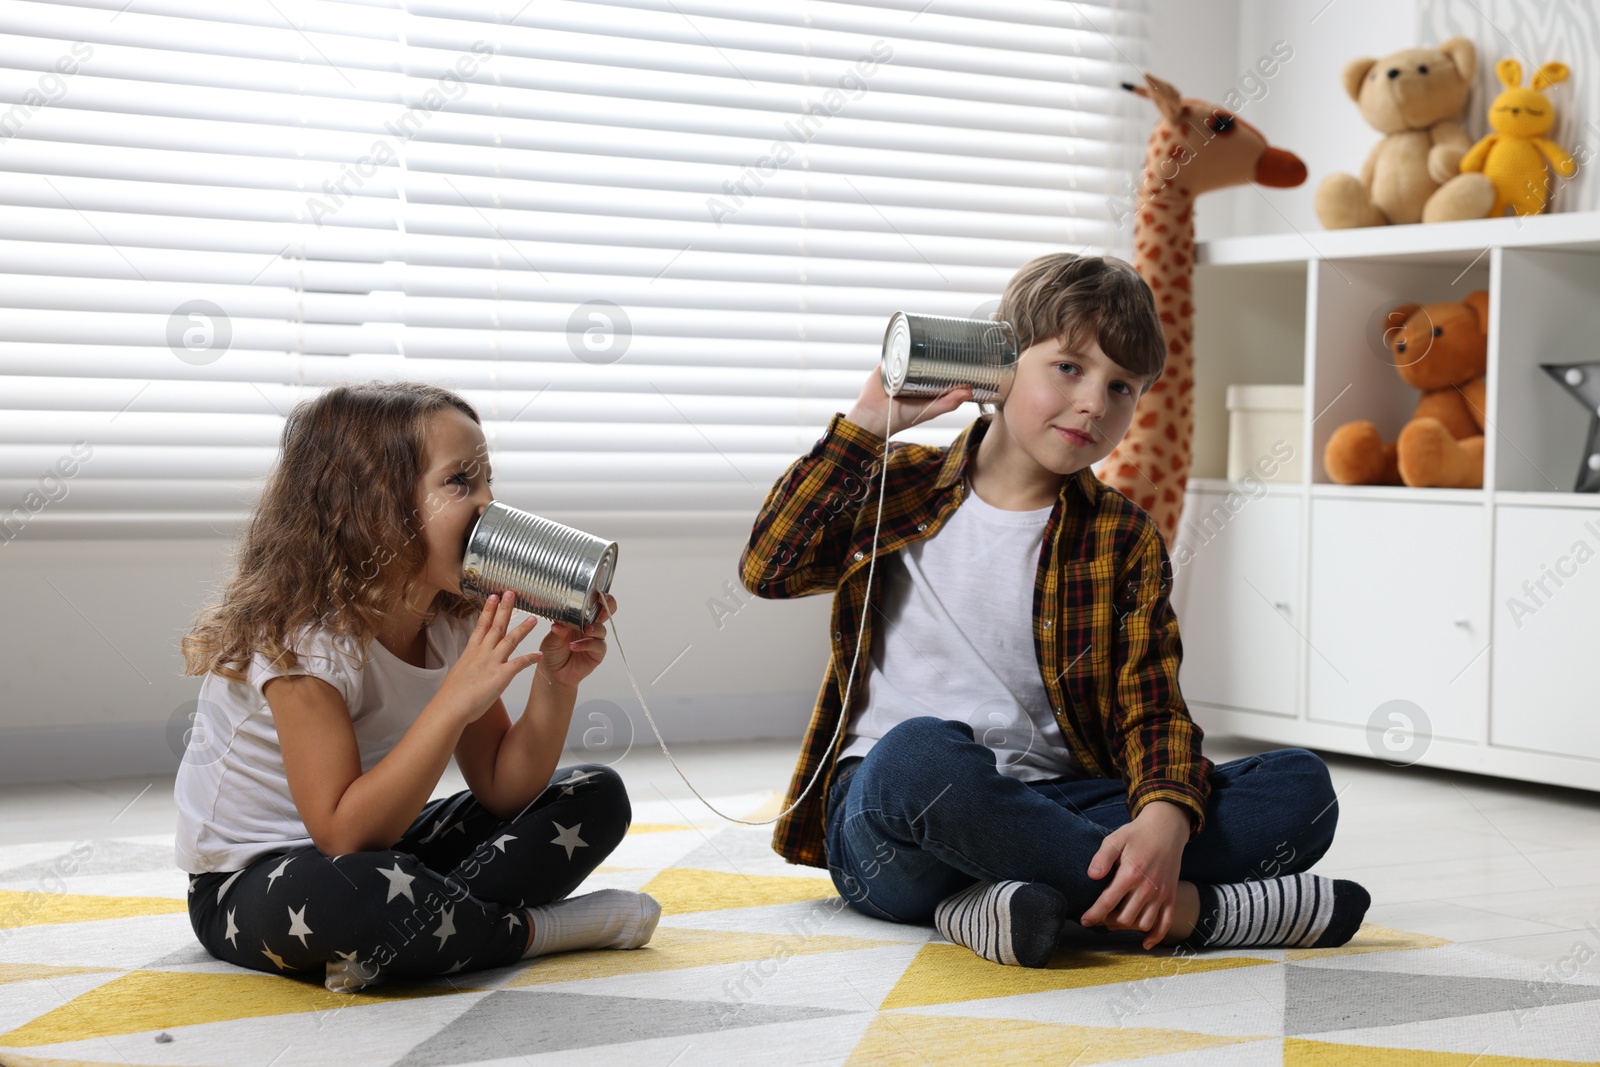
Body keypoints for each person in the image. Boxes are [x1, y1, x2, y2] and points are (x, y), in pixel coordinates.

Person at [740, 253, 1370, 967]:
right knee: (917, 755)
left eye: (1121, 386)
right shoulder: (900, 486)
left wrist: (1163, 819)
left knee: (1299, 789)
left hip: (1058, 799)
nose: (1095, 403)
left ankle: (996, 900)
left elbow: (1152, 708)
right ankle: (1198, 912)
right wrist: (868, 425)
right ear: (1001, 362)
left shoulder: (1122, 536)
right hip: (895, 825)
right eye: (1069, 368)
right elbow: (769, 567)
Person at [175, 380, 658, 993]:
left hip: (386, 848)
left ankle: (419, 934)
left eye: (486, 481)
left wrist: (555, 685)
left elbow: (503, 789)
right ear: (374, 507)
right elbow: (342, 833)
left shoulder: (449, 621)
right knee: (365, 892)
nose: (488, 503)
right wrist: (455, 701)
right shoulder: (301, 644)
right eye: (460, 482)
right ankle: (535, 931)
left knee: (594, 794)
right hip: (256, 882)